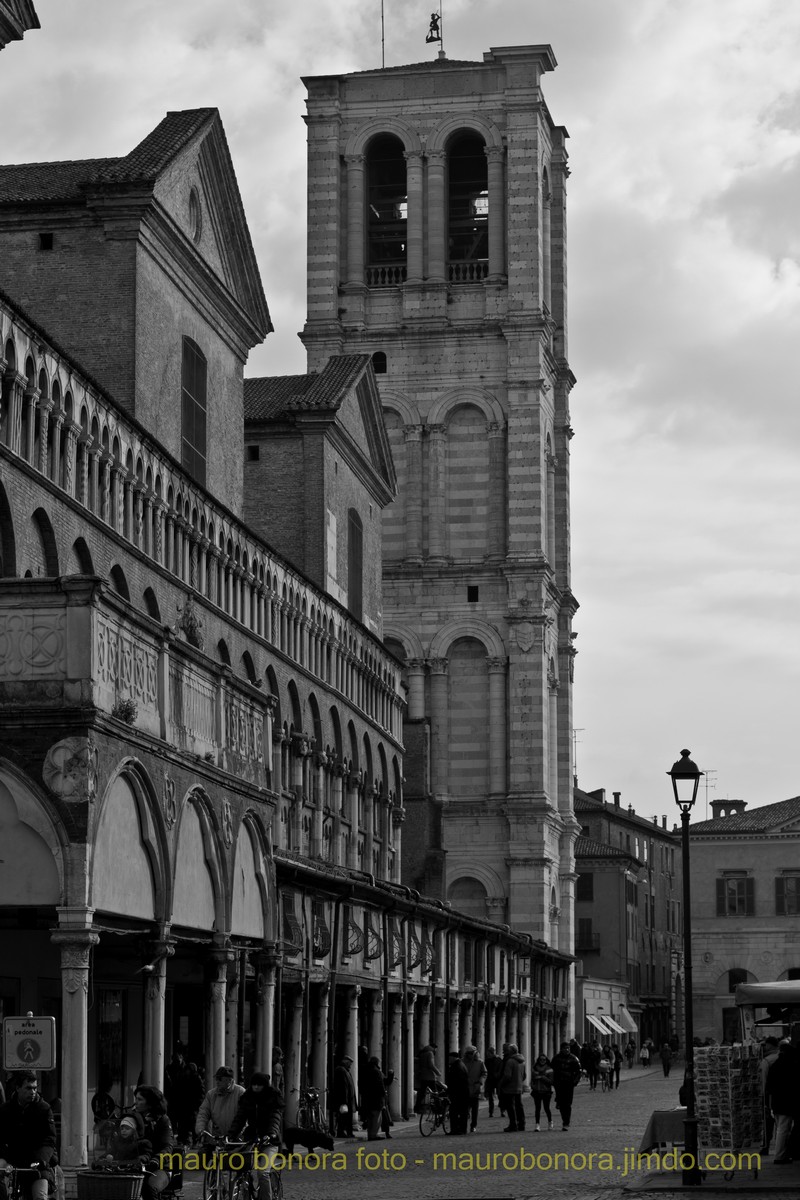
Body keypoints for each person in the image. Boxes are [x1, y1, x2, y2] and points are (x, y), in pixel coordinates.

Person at [0, 1071, 57, 1200]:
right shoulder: (5, 1110)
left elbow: (49, 1139)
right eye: (28, 1088)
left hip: (37, 1163)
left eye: (35, 1088)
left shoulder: (44, 1109)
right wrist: (5, 1155)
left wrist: (41, 1160)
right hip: (13, 1159)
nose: (32, 1092)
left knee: (39, 1196)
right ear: (18, 1088)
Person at [228, 1073, 284, 1200]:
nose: (256, 1087)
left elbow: (275, 1118)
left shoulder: (273, 1097)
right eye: (254, 1084)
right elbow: (240, 1118)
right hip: (251, 1138)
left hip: (270, 1141)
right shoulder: (247, 1097)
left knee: (263, 1173)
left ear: (265, 1086)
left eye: (259, 1085)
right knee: (243, 1169)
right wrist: (231, 1135)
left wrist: (271, 1133)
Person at [133, 1084, 175, 1200]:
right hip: (135, 1164)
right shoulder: (132, 1118)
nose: (135, 1102)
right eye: (135, 1099)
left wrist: (157, 1159)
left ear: (150, 1103)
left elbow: (167, 1146)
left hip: (159, 1167)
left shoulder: (163, 1120)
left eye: (139, 1099)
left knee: (149, 1187)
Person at [766, 1041, 798, 1164]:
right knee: (783, 1129)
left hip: (777, 1101)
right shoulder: (790, 1066)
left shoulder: (776, 1065)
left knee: (781, 1128)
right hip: (786, 1102)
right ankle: (779, 1156)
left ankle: (781, 1154)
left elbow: (769, 1086)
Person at [195, 1065, 245, 1141]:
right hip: (218, 1139)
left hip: (238, 1139)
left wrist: (241, 1133)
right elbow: (203, 1113)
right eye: (216, 1079)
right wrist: (200, 1130)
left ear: (229, 1080)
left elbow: (246, 1115)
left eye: (220, 1079)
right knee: (203, 1152)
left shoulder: (240, 1092)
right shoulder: (211, 1094)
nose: (217, 1081)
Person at [551, 1041, 582, 1132]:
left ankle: (566, 1122)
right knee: (561, 1103)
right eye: (565, 1048)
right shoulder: (556, 1059)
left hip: (569, 1083)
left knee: (568, 1103)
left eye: (568, 1048)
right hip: (559, 1083)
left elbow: (578, 1071)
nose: (567, 1050)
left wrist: (575, 1081)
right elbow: (551, 1070)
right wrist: (552, 1081)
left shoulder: (573, 1058)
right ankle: (562, 1112)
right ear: (561, 1049)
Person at [759, 1038, 780, 1154]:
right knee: (782, 1122)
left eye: (766, 1045)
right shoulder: (780, 1057)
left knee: (768, 1121)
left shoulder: (767, 1060)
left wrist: (763, 1095)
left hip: (769, 1095)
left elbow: (763, 1079)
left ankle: (766, 1146)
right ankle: (781, 1146)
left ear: (770, 1045)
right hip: (783, 1094)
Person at [499, 1044, 526, 1133]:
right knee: (519, 1106)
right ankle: (522, 1124)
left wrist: (501, 1084)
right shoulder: (522, 1061)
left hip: (510, 1087)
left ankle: (513, 1125)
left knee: (510, 1107)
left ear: (510, 1052)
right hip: (519, 1086)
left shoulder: (510, 1061)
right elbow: (524, 1075)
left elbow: (507, 1076)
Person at [360, 1057, 386, 1141]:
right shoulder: (377, 1072)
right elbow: (380, 1085)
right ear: (377, 1063)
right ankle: (373, 1135)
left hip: (367, 1098)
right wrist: (383, 1094)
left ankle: (370, 1134)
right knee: (376, 1118)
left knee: (370, 1118)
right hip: (376, 1098)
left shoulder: (365, 1071)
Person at [462, 1046, 486, 1134]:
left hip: (475, 1088)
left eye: (471, 1053)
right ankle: (463, 1126)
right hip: (465, 1088)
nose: (470, 1055)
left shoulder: (480, 1062)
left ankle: (473, 1125)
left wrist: (480, 1082)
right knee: (464, 1108)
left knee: (475, 1109)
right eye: (469, 1054)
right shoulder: (462, 1061)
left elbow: (484, 1073)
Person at [445, 1051, 470, 1136]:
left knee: (455, 1112)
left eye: (449, 1058)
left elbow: (455, 1081)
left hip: (458, 1093)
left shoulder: (457, 1066)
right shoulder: (460, 1065)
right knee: (462, 1112)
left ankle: (456, 1129)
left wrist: (449, 1091)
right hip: (462, 1093)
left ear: (453, 1058)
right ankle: (461, 1129)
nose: (448, 1060)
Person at [332, 1055, 357, 1137]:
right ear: (345, 1062)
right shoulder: (341, 1070)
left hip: (348, 1099)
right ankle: (341, 1132)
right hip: (344, 1099)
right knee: (343, 1117)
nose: (350, 1065)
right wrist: (344, 1100)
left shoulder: (345, 1071)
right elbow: (343, 1086)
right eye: (349, 1063)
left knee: (347, 1117)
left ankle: (349, 1132)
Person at [414, 1043, 441, 1114]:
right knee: (435, 1092)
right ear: (434, 1048)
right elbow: (431, 1065)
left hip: (422, 1076)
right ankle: (438, 1109)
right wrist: (438, 1072)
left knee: (421, 1093)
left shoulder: (422, 1053)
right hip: (430, 1076)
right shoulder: (430, 1053)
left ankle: (417, 1108)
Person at [530, 1054, 553, 1132]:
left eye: (544, 1060)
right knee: (537, 1109)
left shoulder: (549, 1069)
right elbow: (532, 1080)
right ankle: (537, 1124)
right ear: (538, 1060)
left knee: (547, 1108)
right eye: (541, 1060)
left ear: (546, 1060)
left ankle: (550, 1122)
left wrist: (542, 1077)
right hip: (537, 1091)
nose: (542, 1061)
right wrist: (533, 1086)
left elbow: (551, 1081)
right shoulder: (534, 1068)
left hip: (546, 1091)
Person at [483, 1047, 502, 1117]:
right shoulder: (487, 1060)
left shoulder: (498, 1059)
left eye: (489, 1053)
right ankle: (491, 1112)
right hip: (490, 1080)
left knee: (500, 1096)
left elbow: (501, 1069)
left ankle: (502, 1110)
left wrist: (497, 1075)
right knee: (491, 1097)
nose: (488, 1054)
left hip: (497, 1080)